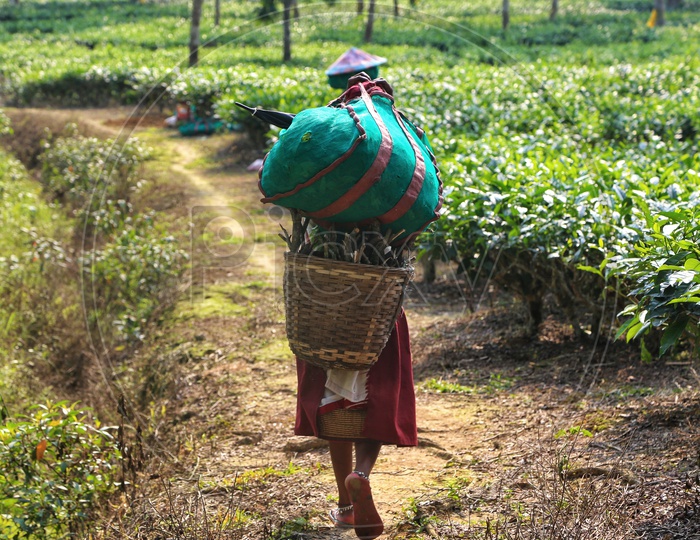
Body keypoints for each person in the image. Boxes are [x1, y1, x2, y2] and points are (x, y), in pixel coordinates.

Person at [294, 309, 417, 540]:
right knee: (376, 400)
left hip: (321, 319)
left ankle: (346, 507)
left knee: (336, 414)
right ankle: (360, 473)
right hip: (378, 318)